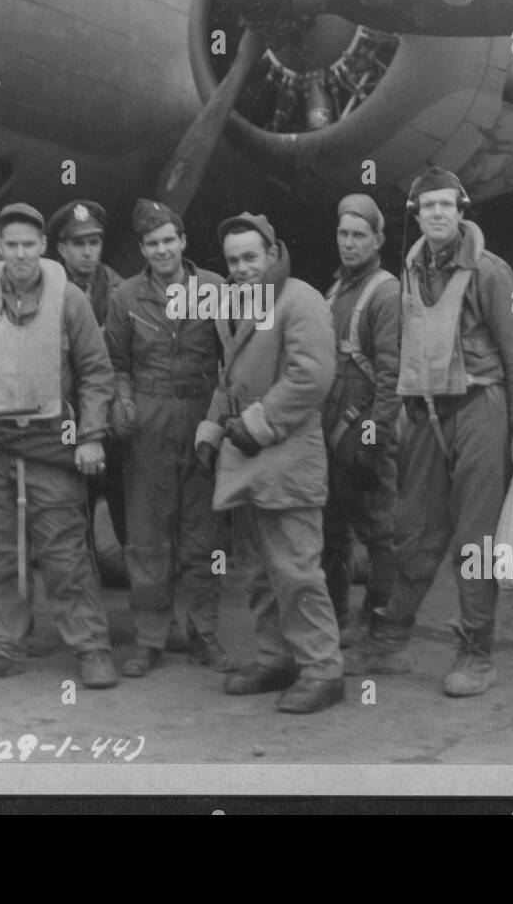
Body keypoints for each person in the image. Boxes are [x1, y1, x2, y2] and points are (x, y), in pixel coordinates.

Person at [346, 168, 513, 697]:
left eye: (446, 206)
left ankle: (476, 654)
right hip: (428, 412)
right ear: (417, 214)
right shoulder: (412, 270)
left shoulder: (491, 272)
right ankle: (390, 641)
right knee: (412, 529)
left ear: (461, 211)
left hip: (482, 407)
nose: (436, 214)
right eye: (427, 206)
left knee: (473, 538)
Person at [0, 203, 119, 689]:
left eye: (29, 245)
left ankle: (91, 646)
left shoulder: (71, 300)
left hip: (49, 442)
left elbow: (96, 373)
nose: (20, 254)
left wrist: (90, 436)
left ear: (43, 246)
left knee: (64, 552)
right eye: (11, 245)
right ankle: (2, 646)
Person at [194, 212, 344, 714]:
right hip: (246, 458)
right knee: (258, 571)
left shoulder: (301, 300)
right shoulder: (236, 304)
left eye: (250, 257)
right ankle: (274, 658)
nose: (241, 268)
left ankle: (323, 670)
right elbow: (228, 379)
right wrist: (212, 430)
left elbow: (311, 377)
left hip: (288, 459)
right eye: (233, 260)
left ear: (273, 252)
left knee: (296, 570)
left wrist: (257, 425)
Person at [103, 198, 234, 677]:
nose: (162, 250)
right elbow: (116, 362)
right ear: (143, 248)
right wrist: (122, 401)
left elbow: (233, 359)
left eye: (168, 241)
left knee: (205, 537)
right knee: (147, 536)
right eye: (152, 243)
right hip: (149, 420)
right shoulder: (126, 296)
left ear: (183, 242)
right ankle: (151, 637)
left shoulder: (216, 289)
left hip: (201, 414)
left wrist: (219, 419)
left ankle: (205, 634)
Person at [321, 194, 401, 646]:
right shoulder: (336, 292)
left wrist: (372, 441)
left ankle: (380, 624)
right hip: (331, 426)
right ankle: (336, 622)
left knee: (378, 529)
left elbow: (391, 376)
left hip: (366, 422)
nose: (349, 243)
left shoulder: (385, 292)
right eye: (343, 234)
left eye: (359, 235)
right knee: (332, 528)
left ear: (377, 240)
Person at [47, 199, 129, 555]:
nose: (87, 252)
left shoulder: (122, 291)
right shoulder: (48, 292)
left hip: (114, 418)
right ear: (62, 249)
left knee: (127, 512)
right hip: (68, 419)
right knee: (71, 518)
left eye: (93, 243)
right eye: (78, 244)